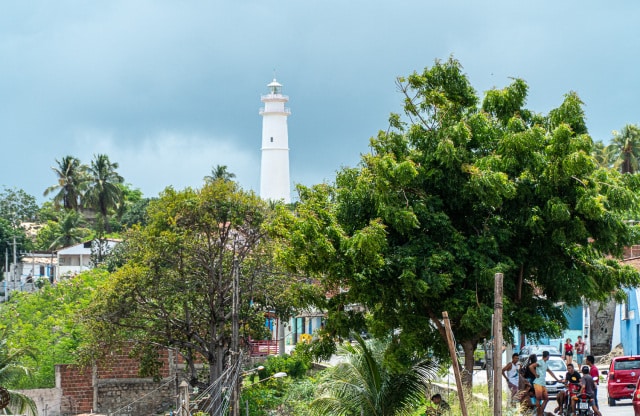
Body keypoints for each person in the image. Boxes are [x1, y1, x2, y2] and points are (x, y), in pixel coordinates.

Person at [530, 351, 561, 416]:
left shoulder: (545, 363)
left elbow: (550, 372)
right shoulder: (540, 362)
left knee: (546, 399)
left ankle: (541, 412)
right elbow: (531, 366)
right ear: (547, 356)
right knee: (538, 399)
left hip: (543, 383)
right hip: (538, 382)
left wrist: (557, 379)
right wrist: (535, 374)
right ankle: (539, 413)